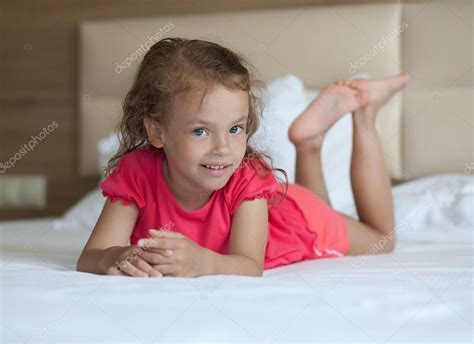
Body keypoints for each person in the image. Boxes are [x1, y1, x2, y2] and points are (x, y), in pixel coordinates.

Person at [76, 38, 409, 278]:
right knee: (319, 203)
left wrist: (203, 263)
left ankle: (365, 113)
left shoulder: (247, 177)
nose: (223, 148)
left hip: (293, 219)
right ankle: (309, 142)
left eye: (235, 129)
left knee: (382, 239)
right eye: (200, 132)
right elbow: (90, 257)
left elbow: (250, 266)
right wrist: (115, 257)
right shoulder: (136, 173)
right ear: (157, 132)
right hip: (282, 205)